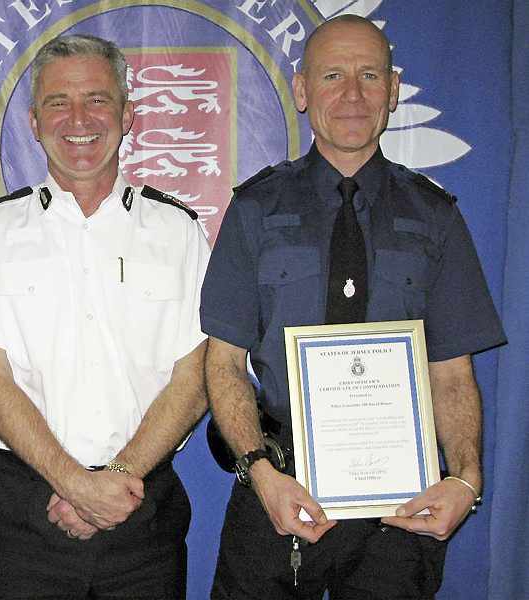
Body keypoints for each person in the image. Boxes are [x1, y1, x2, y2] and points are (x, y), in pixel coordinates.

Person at [202, 15, 506, 600]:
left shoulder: (435, 216)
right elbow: (222, 364)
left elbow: (452, 374)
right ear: (300, 89)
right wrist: (259, 473)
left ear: (393, 90)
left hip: (402, 505)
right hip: (277, 491)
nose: (352, 94)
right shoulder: (254, 210)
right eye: (333, 75)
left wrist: (466, 479)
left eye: (369, 76)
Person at [0, 34, 210, 598]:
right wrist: (74, 484)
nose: (79, 118)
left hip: (145, 509)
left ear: (128, 115)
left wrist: (114, 480)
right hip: (27, 513)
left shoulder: (179, 232)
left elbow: (194, 381)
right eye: (58, 103)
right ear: (34, 121)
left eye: (97, 99)